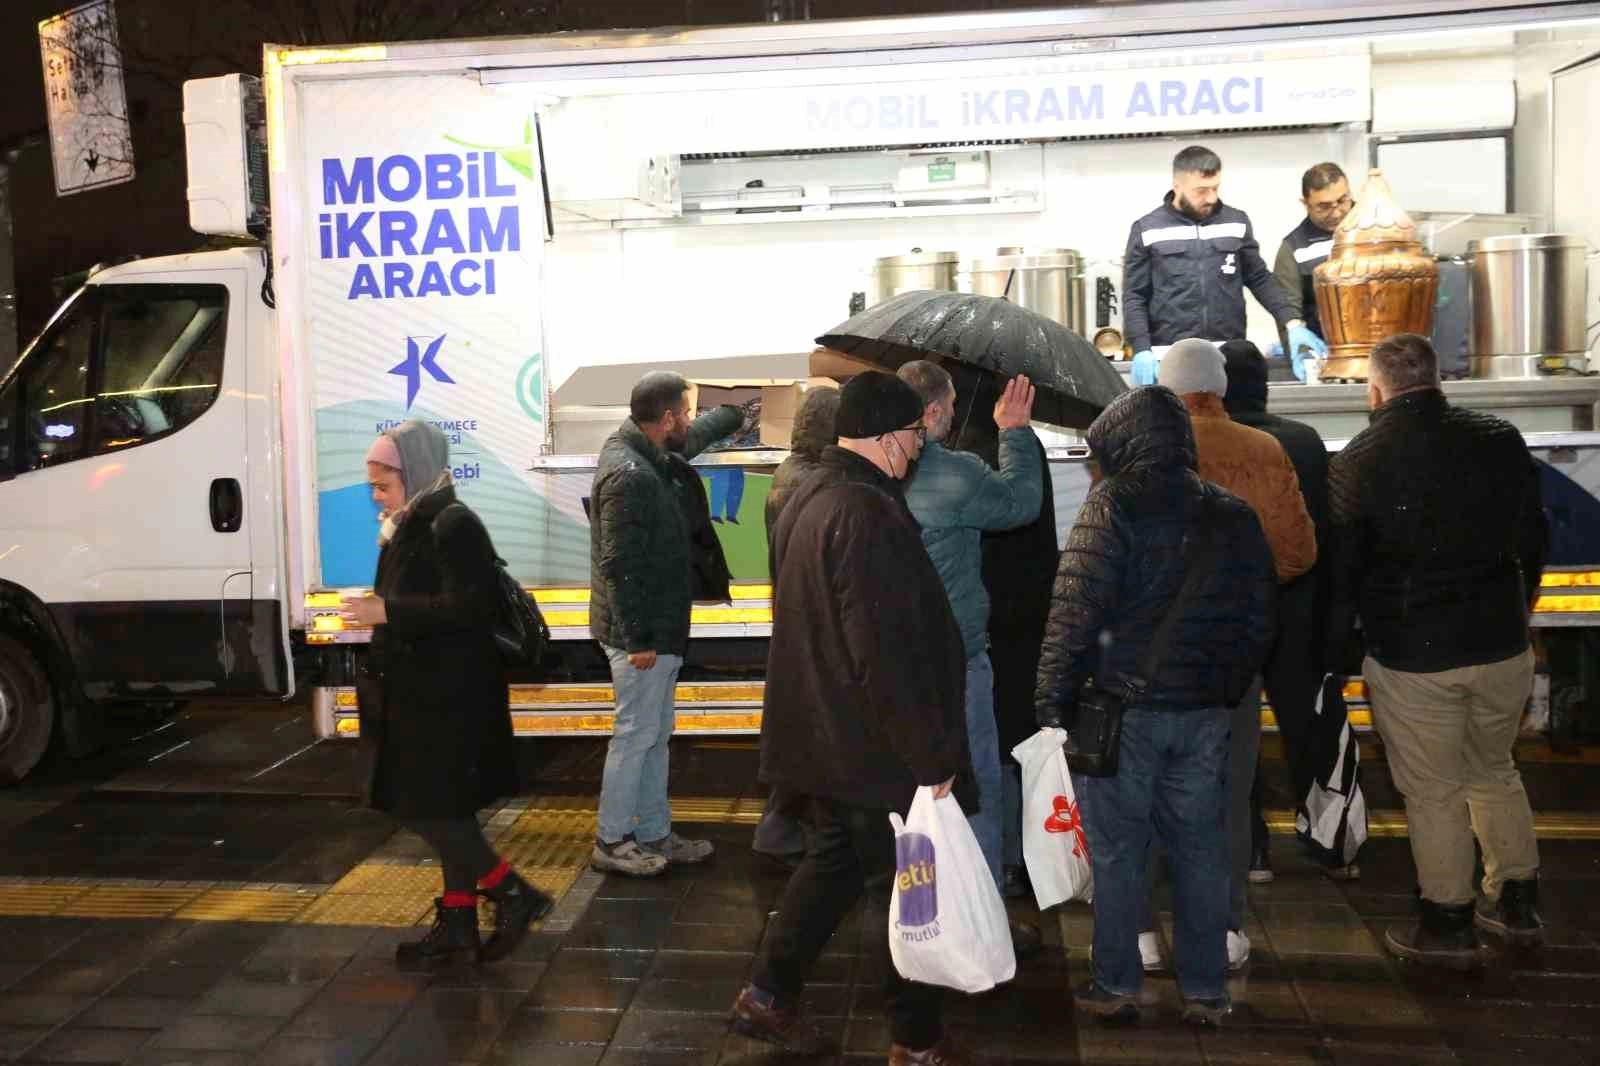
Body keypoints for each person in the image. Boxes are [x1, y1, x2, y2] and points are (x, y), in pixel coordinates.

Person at [733, 373, 974, 1066]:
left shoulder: (813, 493)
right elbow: (884, 653)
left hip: (826, 734)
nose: (919, 448)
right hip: (869, 746)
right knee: (908, 888)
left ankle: (767, 994)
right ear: (886, 438)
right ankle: (916, 1040)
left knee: (833, 865)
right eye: (915, 436)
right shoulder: (867, 514)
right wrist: (929, 756)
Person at [1037, 386, 1274, 1028]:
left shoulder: (1112, 503)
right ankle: (1205, 990)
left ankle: (1116, 983)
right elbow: (1260, 618)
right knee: (1200, 848)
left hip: (1122, 712)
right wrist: (1222, 686)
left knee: (1119, 850)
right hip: (1204, 713)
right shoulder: (1233, 513)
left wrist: (1053, 698)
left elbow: (1075, 610)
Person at [1326, 333, 1548, 967]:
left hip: (1413, 653)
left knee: (1434, 790)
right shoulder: (1498, 438)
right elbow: (1533, 535)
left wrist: (1340, 648)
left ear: (1375, 390)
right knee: (1495, 769)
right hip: (1501, 642)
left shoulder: (1360, 459)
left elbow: (1344, 570)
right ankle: (1516, 902)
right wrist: (1518, 607)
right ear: (1437, 376)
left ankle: (1448, 922)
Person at [341, 420, 551, 972]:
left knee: (425, 807)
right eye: (372, 484)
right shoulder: (411, 523)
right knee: (447, 807)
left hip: (450, 698)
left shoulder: (454, 524)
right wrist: (383, 609)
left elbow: (469, 608)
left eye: (383, 484)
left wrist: (388, 611)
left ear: (414, 473)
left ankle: (511, 892)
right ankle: (459, 926)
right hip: (423, 692)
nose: (375, 495)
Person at [1152, 339, 1314, 973]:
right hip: (1234, 650)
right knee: (1227, 787)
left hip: (1153, 654)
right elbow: (1297, 553)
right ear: (1219, 388)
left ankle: (1143, 932)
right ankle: (1221, 930)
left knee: (1148, 786)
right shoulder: (1263, 450)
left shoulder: (1140, 451)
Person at [897, 360, 1043, 954]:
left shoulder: (871, 475)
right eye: (952, 405)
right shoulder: (956, 474)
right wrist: (1014, 432)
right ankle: (982, 917)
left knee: (911, 789)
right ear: (932, 411)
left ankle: (917, 911)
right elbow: (1022, 503)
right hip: (957, 655)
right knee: (977, 784)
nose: (957, 415)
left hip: (897, 660)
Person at [588, 372, 743, 877]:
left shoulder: (650, 453)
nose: (691, 422)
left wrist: (734, 415)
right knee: (636, 735)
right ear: (669, 418)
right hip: (642, 633)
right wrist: (637, 638)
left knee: (654, 734)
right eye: (688, 413)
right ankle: (612, 840)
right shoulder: (630, 474)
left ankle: (654, 831)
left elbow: (692, 441)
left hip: (660, 626)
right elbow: (619, 564)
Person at [1220, 339, 1356, 884]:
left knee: (1238, 733)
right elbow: (1328, 530)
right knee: (1306, 727)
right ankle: (1328, 840)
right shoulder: (1304, 440)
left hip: (1233, 612)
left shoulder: (1209, 440)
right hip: (1299, 606)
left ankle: (1252, 847)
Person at [1123, 145, 1326, 386]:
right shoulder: (1147, 229)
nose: (1211, 198)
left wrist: (1292, 323)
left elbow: (1260, 279)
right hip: (1170, 358)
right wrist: (1141, 348)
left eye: (1215, 188)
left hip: (1228, 356)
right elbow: (1134, 296)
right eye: (1201, 191)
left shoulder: (1236, 222)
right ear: (1177, 186)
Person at [750, 384, 841, 867]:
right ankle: (780, 828)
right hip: (808, 620)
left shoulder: (790, 473)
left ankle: (781, 826)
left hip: (792, 614)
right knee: (810, 730)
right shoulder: (812, 484)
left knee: (802, 729)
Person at [1271, 162, 1353, 357]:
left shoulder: (1377, 227)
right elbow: (1288, 309)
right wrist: (1302, 354)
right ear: (1305, 203)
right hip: (1325, 353)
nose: (1336, 212)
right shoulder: (1294, 249)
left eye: (1342, 201)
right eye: (1323, 207)